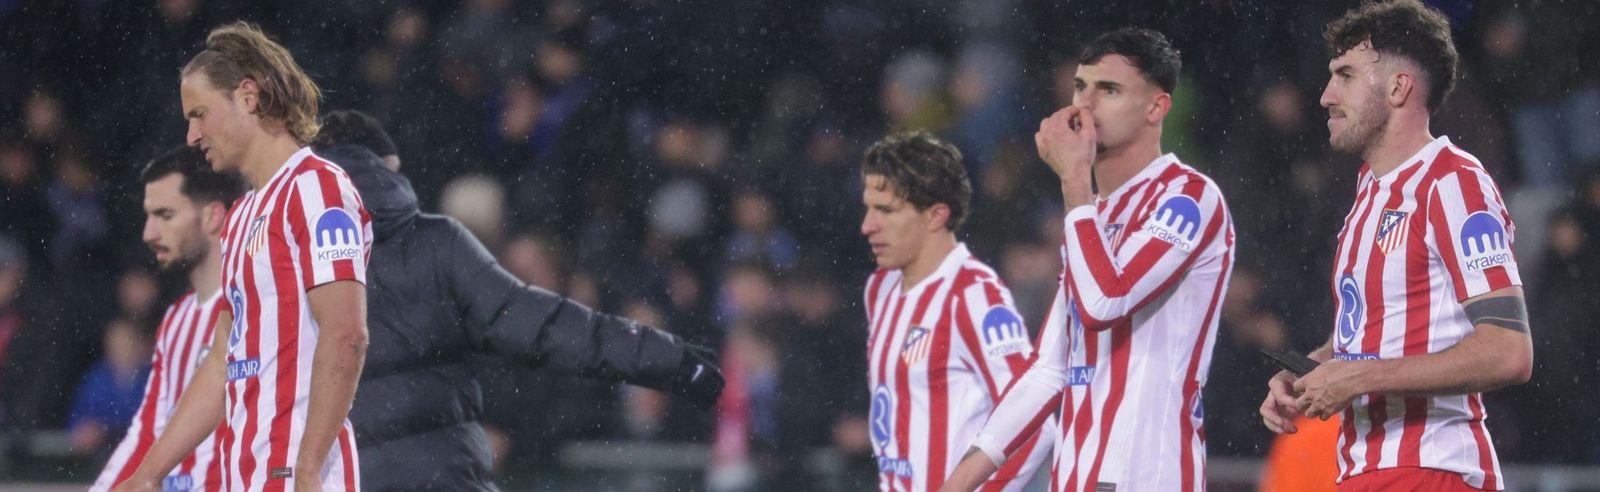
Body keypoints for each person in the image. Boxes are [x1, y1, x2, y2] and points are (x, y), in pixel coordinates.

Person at [310, 109, 724, 490]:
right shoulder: (436, 245)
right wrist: (667, 357)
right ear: (384, 169)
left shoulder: (273, 257)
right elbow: (545, 327)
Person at [943, 28, 1236, 492]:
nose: (1085, 105)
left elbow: (1106, 302)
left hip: (1146, 473)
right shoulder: (1093, 216)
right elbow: (1048, 370)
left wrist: (1075, 181)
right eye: (1081, 87)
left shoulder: (1190, 197)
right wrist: (959, 481)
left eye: (1110, 90)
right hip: (1076, 475)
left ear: (1156, 108)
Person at [1258, 2, 1533, 490]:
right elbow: (1374, 343)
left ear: (1399, 86)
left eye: (1344, 75)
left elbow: (1508, 351)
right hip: (1366, 468)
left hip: (1432, 469)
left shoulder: (1453, 182)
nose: (1325, 96)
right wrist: (1316, 373)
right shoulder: (1368, 193)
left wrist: (1357, 380)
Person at [116, 21, 370, 491]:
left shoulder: (317, 191)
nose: (192, 136)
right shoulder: (243, 216)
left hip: (296, 474)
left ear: (248, 97)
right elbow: (220, 363)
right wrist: (147, 475)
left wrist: (308, 469)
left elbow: (346, 334)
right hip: (246, 474)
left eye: (199, 114)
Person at [858, 130, 1051, 491]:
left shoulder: (974, 295)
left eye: (885, 210)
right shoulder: (880, 289)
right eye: (868, 208)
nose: (867, 225)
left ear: (935, 216)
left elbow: (1035, 426)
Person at [94, 145, 245, 491]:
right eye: (149, 217)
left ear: (212, 216)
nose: (149, 233)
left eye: (165, 215)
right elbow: (147, 433)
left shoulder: (256, 309)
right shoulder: (177, 319)